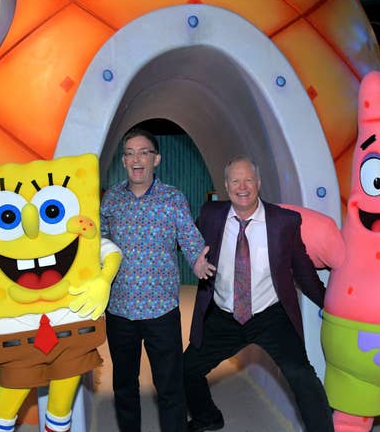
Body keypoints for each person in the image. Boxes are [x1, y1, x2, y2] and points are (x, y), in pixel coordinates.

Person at [184, 155, 334, 432]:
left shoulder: (284, 221)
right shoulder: (210, 214)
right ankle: (208, 418)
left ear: (259, 183)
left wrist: (331, 304)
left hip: (271, 316)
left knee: (302, 375)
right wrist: (193, 258)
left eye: (249, 180)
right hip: (223, 316)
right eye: (236, 181)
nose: (243, 187)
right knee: (186, 370)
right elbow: (187, 240)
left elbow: (302, 270)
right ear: (226, 186)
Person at [101, 127, 215, 432]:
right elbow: (97, 243)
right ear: (123, 161)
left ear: (156, 159)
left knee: (170, 388)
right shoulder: (111, 200)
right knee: (124, 387)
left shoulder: (173, 198)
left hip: (161, 311)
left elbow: (190, 239)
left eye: (143, 152)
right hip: (119, 311)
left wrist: (198, 260)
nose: (136, 159)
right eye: (129, 153)